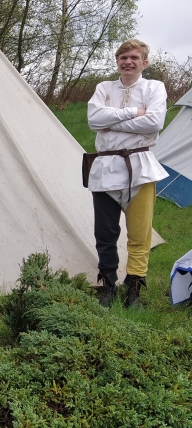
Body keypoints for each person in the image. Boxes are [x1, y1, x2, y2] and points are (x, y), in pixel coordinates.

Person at [86, 38, 167, 307]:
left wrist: (112, 122)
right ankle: (107, 283)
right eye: (123, 57)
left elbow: (154, 122)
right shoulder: (104, 88)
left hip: (140, 167)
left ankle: (134, 287)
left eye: (134, 58)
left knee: (140, 232)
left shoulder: (154, 87)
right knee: (105, 232)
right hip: (106, 168)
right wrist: (133, 112)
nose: (128, 62)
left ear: (144, 62)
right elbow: (94, 120)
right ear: (117, 61)